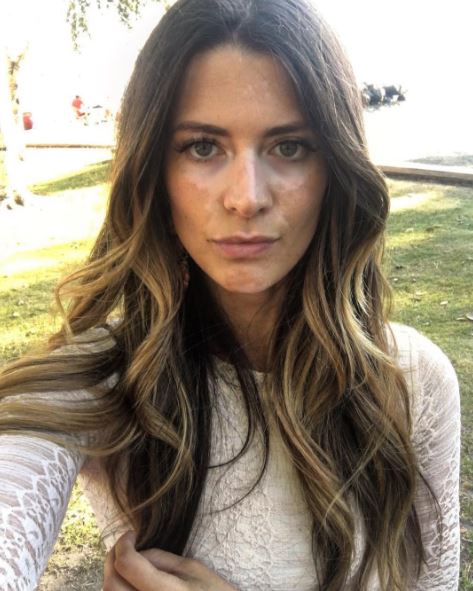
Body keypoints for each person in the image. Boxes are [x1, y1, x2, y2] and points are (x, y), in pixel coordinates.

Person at [0, 0, 460, 589]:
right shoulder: (97, 382)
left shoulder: (414, 381)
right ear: (155, 171)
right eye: (202, 147)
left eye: (289, 146)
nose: (246, 198)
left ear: (335, 169)